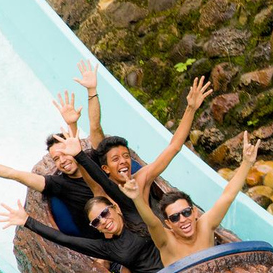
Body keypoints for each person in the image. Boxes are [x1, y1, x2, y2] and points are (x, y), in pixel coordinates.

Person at [0, 59, 104, 238]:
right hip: (100, 238)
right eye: (56, 159)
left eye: (64, 154)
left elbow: (95, 128)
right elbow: (14, 174)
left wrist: (91, 92)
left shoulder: (91, 160)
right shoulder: (58, 184)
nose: (62, 160)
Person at [55, 76, 213, 227]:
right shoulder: (102, 190)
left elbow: (174, 146)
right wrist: (73, 125)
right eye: (115, 159)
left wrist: (191, 108)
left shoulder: (142, 178)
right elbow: (80, 157)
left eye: (125, 156)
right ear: (105, 169)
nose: (123, 161)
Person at [118, 131, 259, 267]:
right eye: (174, 218)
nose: (182, 219)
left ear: (195, 212)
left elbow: (227, 197)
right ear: (168, 224)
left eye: (186, 212)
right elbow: (152, 223)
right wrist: (137, 198)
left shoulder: (205, 225)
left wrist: (246, 163)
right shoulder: (166, 241)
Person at [0, 196, 163, 273]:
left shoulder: (134, 217)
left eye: (104, 213)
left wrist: (79, 155)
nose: (103, 221)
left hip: (176, 266)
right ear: (96, 228)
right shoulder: (107, 248)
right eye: (97, 221)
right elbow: (64, 239)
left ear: (115, 208)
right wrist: (28, 221)